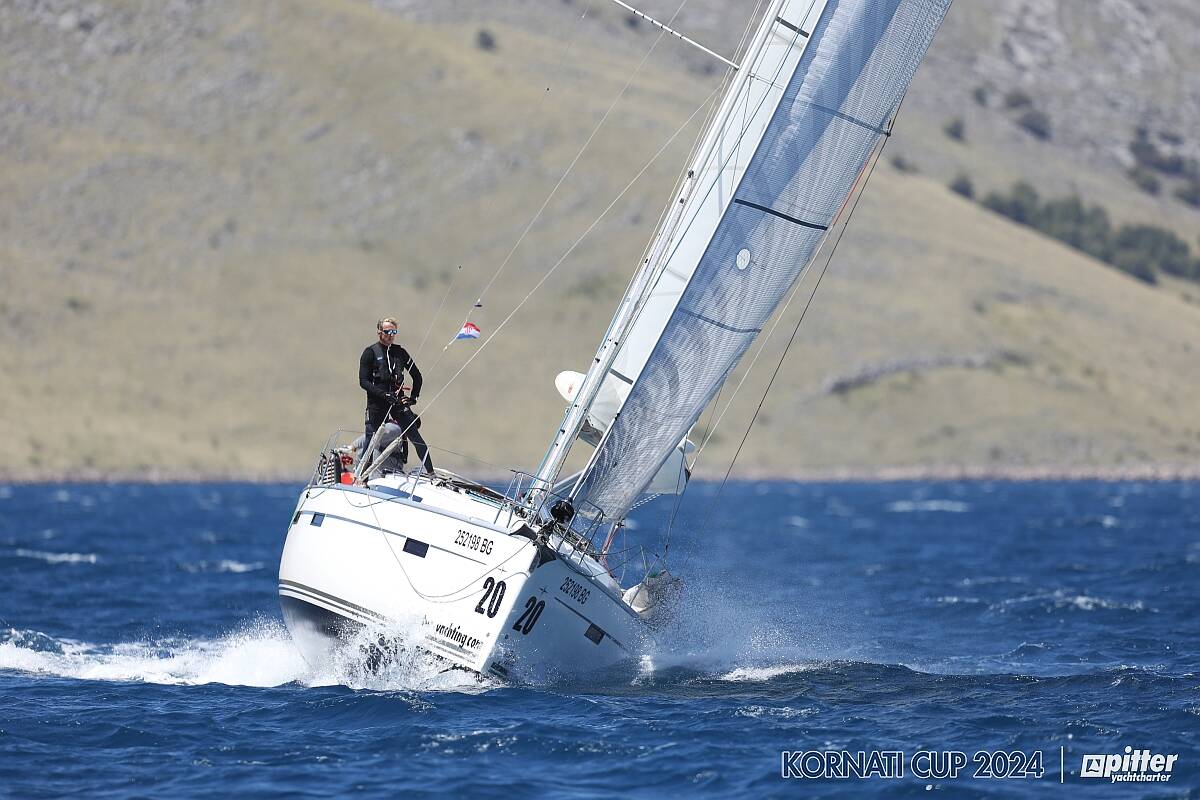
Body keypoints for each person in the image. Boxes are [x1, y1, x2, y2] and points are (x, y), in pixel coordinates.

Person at [359, 318, 434, 474]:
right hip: (377, 404)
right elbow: (363, 382)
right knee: (370, 441)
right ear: (379, 332)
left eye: (394, 332)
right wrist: (383, 395)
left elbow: (417, 376)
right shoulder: (370, 352)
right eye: (387, 332)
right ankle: (360, 478)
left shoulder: (400, 352)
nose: (391, 335)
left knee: (416, 438)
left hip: (397, 402)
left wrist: (413, 397)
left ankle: (431, 473)